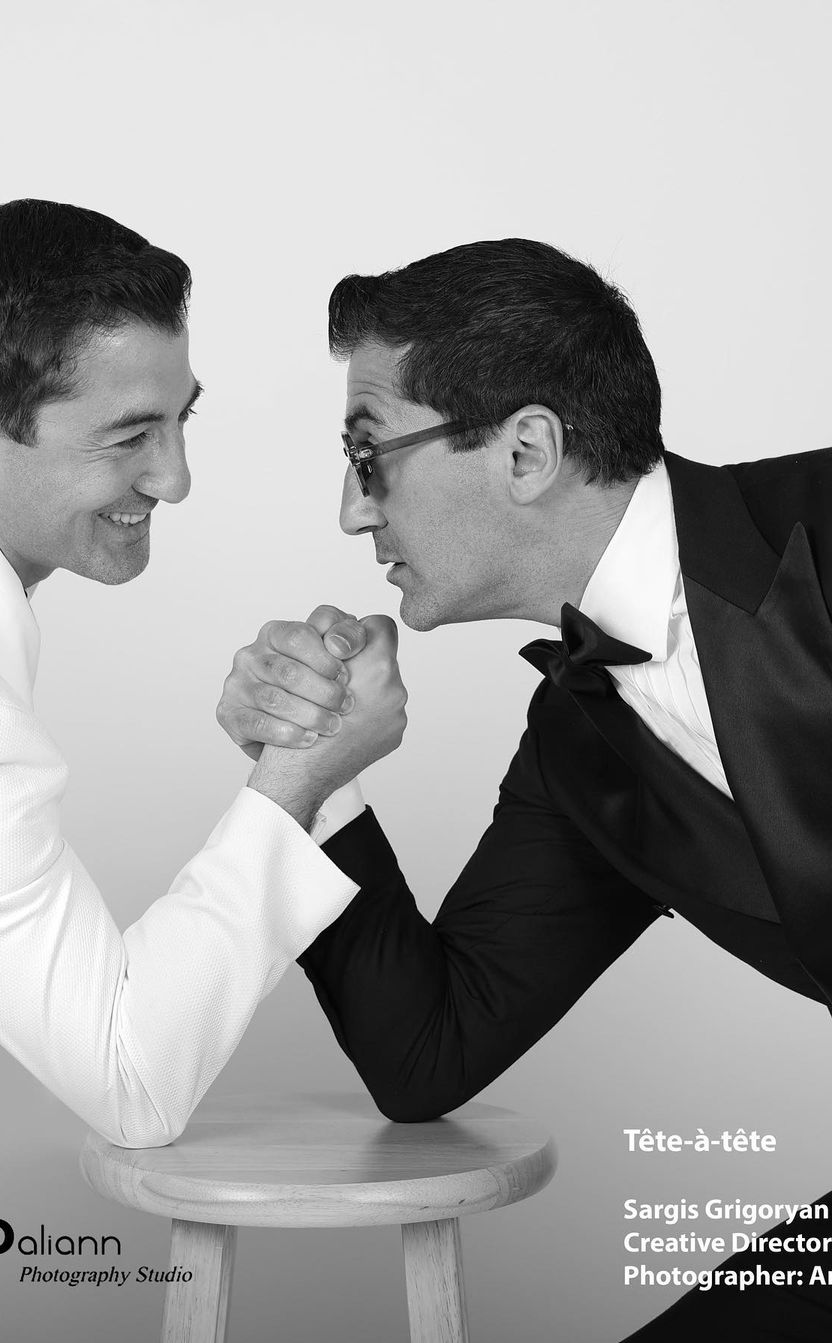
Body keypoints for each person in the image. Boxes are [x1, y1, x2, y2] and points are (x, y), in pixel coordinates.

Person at [0, 198, 407, 1341]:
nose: (176, 479)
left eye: (180, 420)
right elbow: (131, 1077)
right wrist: (295, 780)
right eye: (128, 436)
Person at [217, 237, 832, 1340]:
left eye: (369, 456)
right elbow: (426, 1051)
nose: (353, 512)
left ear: (527, 451)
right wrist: (310, 774)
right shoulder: (579, 747)